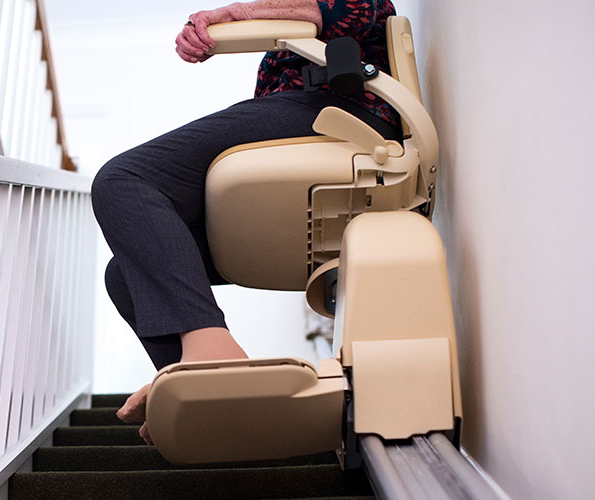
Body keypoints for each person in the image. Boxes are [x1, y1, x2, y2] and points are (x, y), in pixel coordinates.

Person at [90, 0, 400, 444]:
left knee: (124, 179)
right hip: (304, 138)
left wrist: (229, 17)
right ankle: (209, 396)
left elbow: (349, 9)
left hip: (341, 115)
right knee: (123, 273)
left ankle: (212, 354)